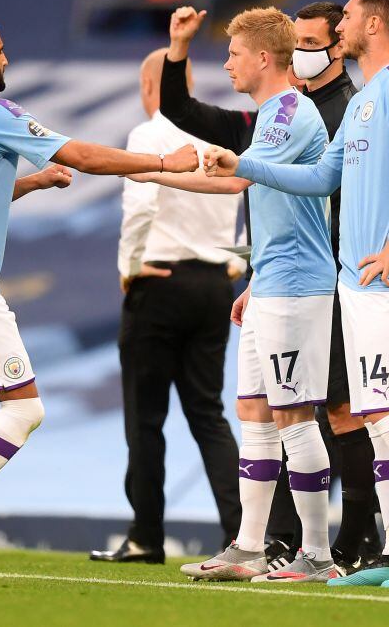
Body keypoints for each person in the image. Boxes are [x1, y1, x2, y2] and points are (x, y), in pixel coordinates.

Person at [0, 14, 198, 582]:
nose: (7, 59)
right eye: (2, 50)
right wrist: (163, 164)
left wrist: (33, 182)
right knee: (25, 406)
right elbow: (82, 155)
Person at [204, 0, 389, 589]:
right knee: (375, 413)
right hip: (358, 278)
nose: (339, 25)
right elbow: (322, 178)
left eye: (347, 15)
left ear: (373, 23)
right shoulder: (365, 97)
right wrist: (241, 164)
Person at [159, 3, 379, 573]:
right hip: (270, 283)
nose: (227, 64)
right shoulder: (269, 116)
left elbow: (236, 177)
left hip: (298, 286)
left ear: (262, 57)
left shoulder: (291, 114)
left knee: (294, 416)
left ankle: (317, 554)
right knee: (254, 411)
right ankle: (250, 546)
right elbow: (252, 191)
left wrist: (145, 168)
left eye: (233, 54)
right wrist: (254, 279)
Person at [87, 49, 245, 564]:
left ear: (147, 85)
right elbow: (247, 192)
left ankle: (145, 536)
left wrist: (128, 267)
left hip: (159, 282)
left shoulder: (150, 133)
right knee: (209, 414)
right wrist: (235, 263)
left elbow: (141, 205)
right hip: (214, 284)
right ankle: (243, 537)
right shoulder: (218, 131)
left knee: (145, 418)